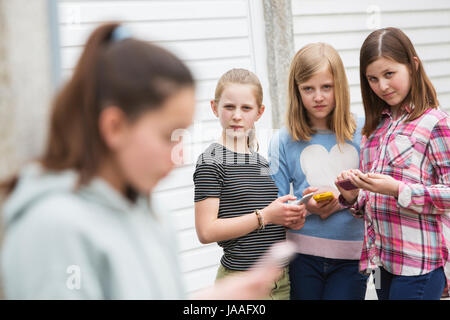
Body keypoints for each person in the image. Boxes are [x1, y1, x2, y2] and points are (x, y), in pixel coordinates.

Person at [0, 23, 283, 300]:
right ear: (114, 127)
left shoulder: (150, 213)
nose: (180, 156)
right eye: (167, 136)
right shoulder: (53, 230)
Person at [336, 27, 450, 300]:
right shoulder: (374, 130)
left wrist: (398, 189)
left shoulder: (435, 123)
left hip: (418, 266)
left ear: (413, 65)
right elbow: (370, 205)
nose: (382, 86)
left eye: (389, 74)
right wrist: (353, 196)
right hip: (381, 264)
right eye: (372, 79)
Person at [193, 68, 307, 300]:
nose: (237, 115)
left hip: (280, 282)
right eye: (229, 107)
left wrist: (291, 217)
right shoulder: (210, 162)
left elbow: (268, 223)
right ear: (215, 108)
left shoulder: (262, 162)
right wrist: (264, 216)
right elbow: (206, 231)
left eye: (246, 108)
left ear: (259, 112)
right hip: (240, 283)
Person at [268, 43, 368, 300]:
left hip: (351, 257)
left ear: (340, 87)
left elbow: (377, 190)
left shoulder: (364, 131)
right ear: (296, 90)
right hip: (301, 257)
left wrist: (344, 200)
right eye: (308, 89)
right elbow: (276, 205)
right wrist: (305, 206)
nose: (318, 97)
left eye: (326, 87)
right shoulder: (282, 140)